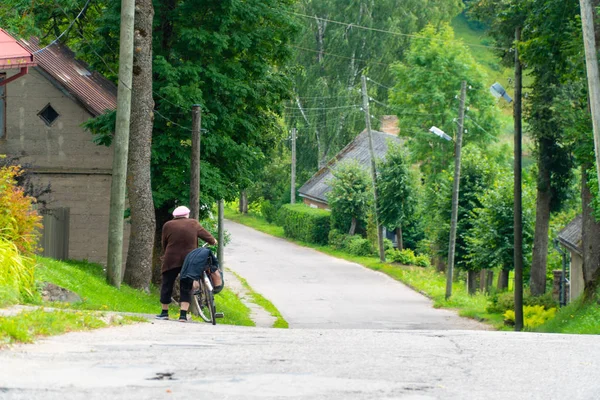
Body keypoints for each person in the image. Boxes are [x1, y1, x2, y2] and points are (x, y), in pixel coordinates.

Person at [157, 205, 217, 321]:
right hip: (189, 260)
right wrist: (213, 241)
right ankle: (183, 315)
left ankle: (164, 312)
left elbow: (164, 243)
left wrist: (167, 254)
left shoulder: (167, 225)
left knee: (167, 284)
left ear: (175, 216)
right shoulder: (193, 223)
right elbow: (207, 236)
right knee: (186, 285)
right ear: (187, 215)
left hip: (171, 258)